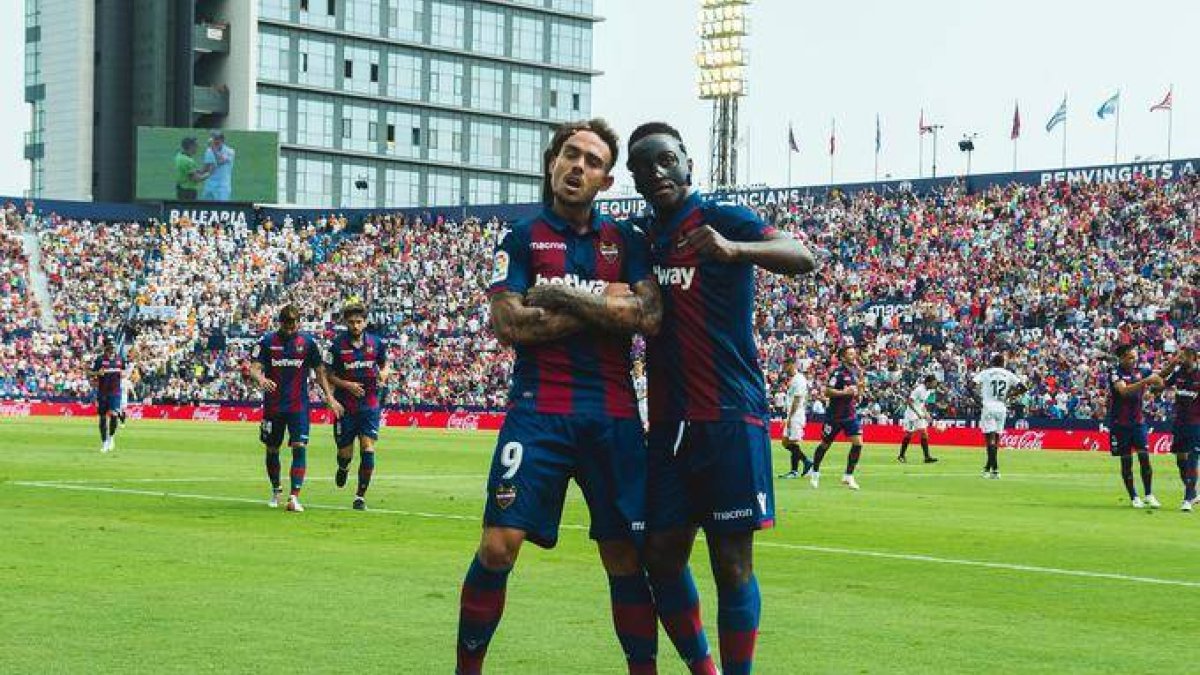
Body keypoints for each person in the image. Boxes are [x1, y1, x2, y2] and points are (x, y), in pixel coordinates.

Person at [455, 119, 662, 675]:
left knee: (624, 556)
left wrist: (561, 296)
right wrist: (603, 304)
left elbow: (648, 316)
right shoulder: (521, 237)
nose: (578, 166)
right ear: (552, 163)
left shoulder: (626, 240)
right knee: (498, 546)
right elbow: (510, 324)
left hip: (613, 417)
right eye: (571, 154)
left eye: (593, 162)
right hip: (537, 413)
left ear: (606, 180)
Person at [627, 121, 815, 675]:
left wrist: (735, 250)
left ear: (687, 161)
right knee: (660, 556)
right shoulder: (640, 238)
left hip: (730, 416)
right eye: (643, 166)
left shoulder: (722, 217)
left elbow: (801, 255)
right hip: (668, 425)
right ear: (634, 180)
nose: (656, 172)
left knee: (731, 564)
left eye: (665, 159)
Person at [248, 305, 343, 512]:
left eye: (294, 325)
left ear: (298, 323)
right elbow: (253, 368)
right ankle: (276, 489)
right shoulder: (267, 342)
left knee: (299, 446)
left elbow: (319, 371)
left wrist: (329, 397)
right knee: (272, 448)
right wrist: (261, 379)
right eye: (287, 325)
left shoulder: (307, 343)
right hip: (273, 406)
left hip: (298, 406)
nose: (291, 329)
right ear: (280, 323)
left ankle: (294, 496)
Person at [325, 301, 391, 511]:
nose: (355, 325)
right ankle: (343, 467)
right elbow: (328, 375)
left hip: (369, 406)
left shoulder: (376, 343)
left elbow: (385, 365)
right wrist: (347, 385)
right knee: (345, 453)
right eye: (352, 322)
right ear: (346, 322)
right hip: (345, 407)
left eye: (359, 321)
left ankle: (360, 496)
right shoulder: (336, 346)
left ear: (365, 322)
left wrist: (383, 374)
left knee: (367, 448)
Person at [1105, 344, 1164, 508]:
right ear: (1122, 358)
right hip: (1120, 424)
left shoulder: (1141, 371)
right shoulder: (1115, 372)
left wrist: (1157, 386)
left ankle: (1149, 494)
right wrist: (1145, 381)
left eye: (1135, 357)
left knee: (1144, 457)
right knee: (1126, 461)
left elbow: (1159, 379)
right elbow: (1123, 391)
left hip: (1138, 423)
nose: (1134, 360)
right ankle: (1134, 497)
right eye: (1131, 357)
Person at [809, 344, 866, 490]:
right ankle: (815, 472)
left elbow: (857, 393)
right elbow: (827, 391)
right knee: (825, 444)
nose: (854, 356)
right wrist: (844, 392)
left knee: (858, 443)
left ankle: (848, 476)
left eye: (854, 353)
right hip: (834, 416)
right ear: (843, 357)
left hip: (850, 414)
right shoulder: (838, 373)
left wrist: (860, 389)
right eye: (850, 354)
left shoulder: (855, 372)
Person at [1159, 344, 1199, 511]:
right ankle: (1193, 493)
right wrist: (1171, 365)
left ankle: (1187, 499)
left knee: (1192, 459)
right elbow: (1161, 383)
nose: (1181, 359)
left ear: (1193, 358)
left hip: (1196, 423)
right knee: (1180, 460)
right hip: (1180, 422)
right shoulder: (1178, 372)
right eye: (1180, 356)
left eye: (1184, 357)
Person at [974, 353, 1025, 479]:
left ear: (993, 362)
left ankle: (995, 469)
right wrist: (1009, 396)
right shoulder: (1008, 374)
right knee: (996, 440)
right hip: (1001, 407)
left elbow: (970, 385)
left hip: (988, 406)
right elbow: (1023, 388)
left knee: (989, 440)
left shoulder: (986, 373)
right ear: (1003, 363)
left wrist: (977, 400)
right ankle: (988, 469)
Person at [777, 359, 814, 479]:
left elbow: (797, 400)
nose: (784, 368)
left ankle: (795, 471)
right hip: (792, 414)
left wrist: (790, 417)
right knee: (786, 442)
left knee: (792, 442)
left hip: (796, 415)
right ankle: (806, 462)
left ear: (792, 365)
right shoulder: (794, 379)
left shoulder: (799, 379)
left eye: (785, 365)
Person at [90, 340, 126, 453]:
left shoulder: (120, 359)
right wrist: (97, 373)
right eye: (110, 348)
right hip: (102, 392)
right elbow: (90, 372)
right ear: (106, 349)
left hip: (115, 392)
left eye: (113, 348)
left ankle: (111, 437)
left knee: (114, 414)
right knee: (102, 418)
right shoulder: (100, 359)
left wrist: (123, 374)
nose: (112, 350)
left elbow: (124, 370)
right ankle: (104, 442)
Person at [898, 374, 939, 463]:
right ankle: (901, 455)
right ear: (928, 383)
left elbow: (922, 404)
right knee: (909, 434)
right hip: (911, 415)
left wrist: (926, 414)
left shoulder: (928, 391)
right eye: (934, 383)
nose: (935, 385)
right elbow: (909, 402)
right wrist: (917, 413)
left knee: (924, 433)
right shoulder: (919, 390)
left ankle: (927, 457)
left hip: (919, 414)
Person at [199, 131, 236, 201]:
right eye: (213, 139)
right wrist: (197, 172)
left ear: (222, 140)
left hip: (222, 187)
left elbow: (220, 161)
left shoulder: (230, 151)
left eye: (217, 139)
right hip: (209, 185)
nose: (215, 141)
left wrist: (213, 148)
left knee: (220, 206)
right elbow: (206, 167)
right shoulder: (209, 151)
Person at [633, 359, 649, 432]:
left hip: (642, 403)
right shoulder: (633, 379)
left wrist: (638, 398)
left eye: (638, 368)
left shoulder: (644, 379)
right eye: (635, 368)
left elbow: (646, 392)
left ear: (641, 369)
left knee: (644, 420)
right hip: (635, 403)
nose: (636, 370)